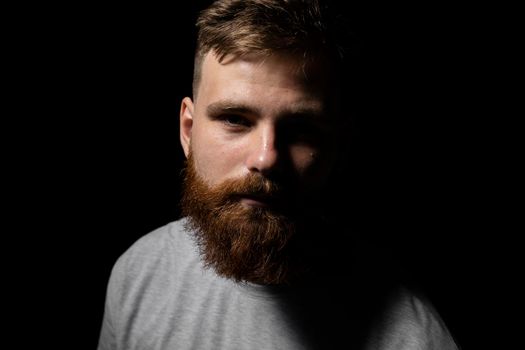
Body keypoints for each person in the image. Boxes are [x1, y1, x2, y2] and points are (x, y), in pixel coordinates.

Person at [98, 0, 460, 349]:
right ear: (188, 130)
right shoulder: (136, 275)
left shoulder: (410, 333)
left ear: (338, 144)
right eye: (235, 120)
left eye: (301, 130)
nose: (266, 158)